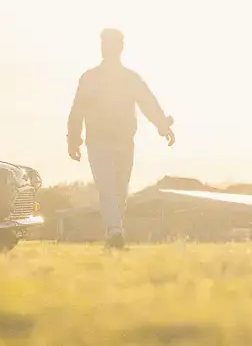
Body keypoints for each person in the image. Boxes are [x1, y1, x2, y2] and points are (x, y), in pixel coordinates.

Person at [67, 29, 175, 247]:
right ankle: (114, 230)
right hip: (98, 141)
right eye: (103, 44)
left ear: (119, 48)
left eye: (109, 44)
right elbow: (77, 109)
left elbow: (148, 103)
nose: (105, 48)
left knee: (120, 189)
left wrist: (163, 126)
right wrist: (73, 139)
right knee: (107, 186)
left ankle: (114, 230)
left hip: (124, 141)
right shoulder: (90, 78)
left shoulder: (130, 79)